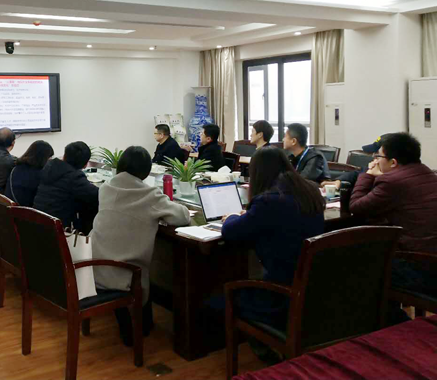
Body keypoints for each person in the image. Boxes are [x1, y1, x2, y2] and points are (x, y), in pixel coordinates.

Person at [215, 147, 325, 361]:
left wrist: (232, 217)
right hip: (312, 286)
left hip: (282, 294)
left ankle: (267, 353)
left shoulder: (268, 201)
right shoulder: (309, 190)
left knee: (227, 297)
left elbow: (231, 232)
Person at [90, 146, 190, 345]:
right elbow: (182, 216)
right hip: (124, 274)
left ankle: (134, 323)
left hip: (93, 265)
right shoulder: (149, 195)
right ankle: (136, 328)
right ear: (145, 171)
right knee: (140, 271)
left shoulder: (106, 187)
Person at [348, 133, 437, 324]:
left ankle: (395, 323)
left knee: (358, 267)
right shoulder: (428, 174)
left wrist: (367, 175)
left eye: (378, 156)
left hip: (419, 268)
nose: (375, 160)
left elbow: (356, 207)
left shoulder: (392, 181)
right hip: (430, 259)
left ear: (394, 162)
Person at [33, 141, 99, 233]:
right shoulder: (74, 177)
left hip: (36, 221)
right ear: (85, 164)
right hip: (57, 229)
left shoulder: (48, 167)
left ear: (64, 156)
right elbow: (98, 195)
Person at [5, 140, 54, 207]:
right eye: (49, 157)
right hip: (24, 211)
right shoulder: (39, 175)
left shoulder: (17, 168)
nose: (50, 160)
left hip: (9, 208)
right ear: (43, 158)